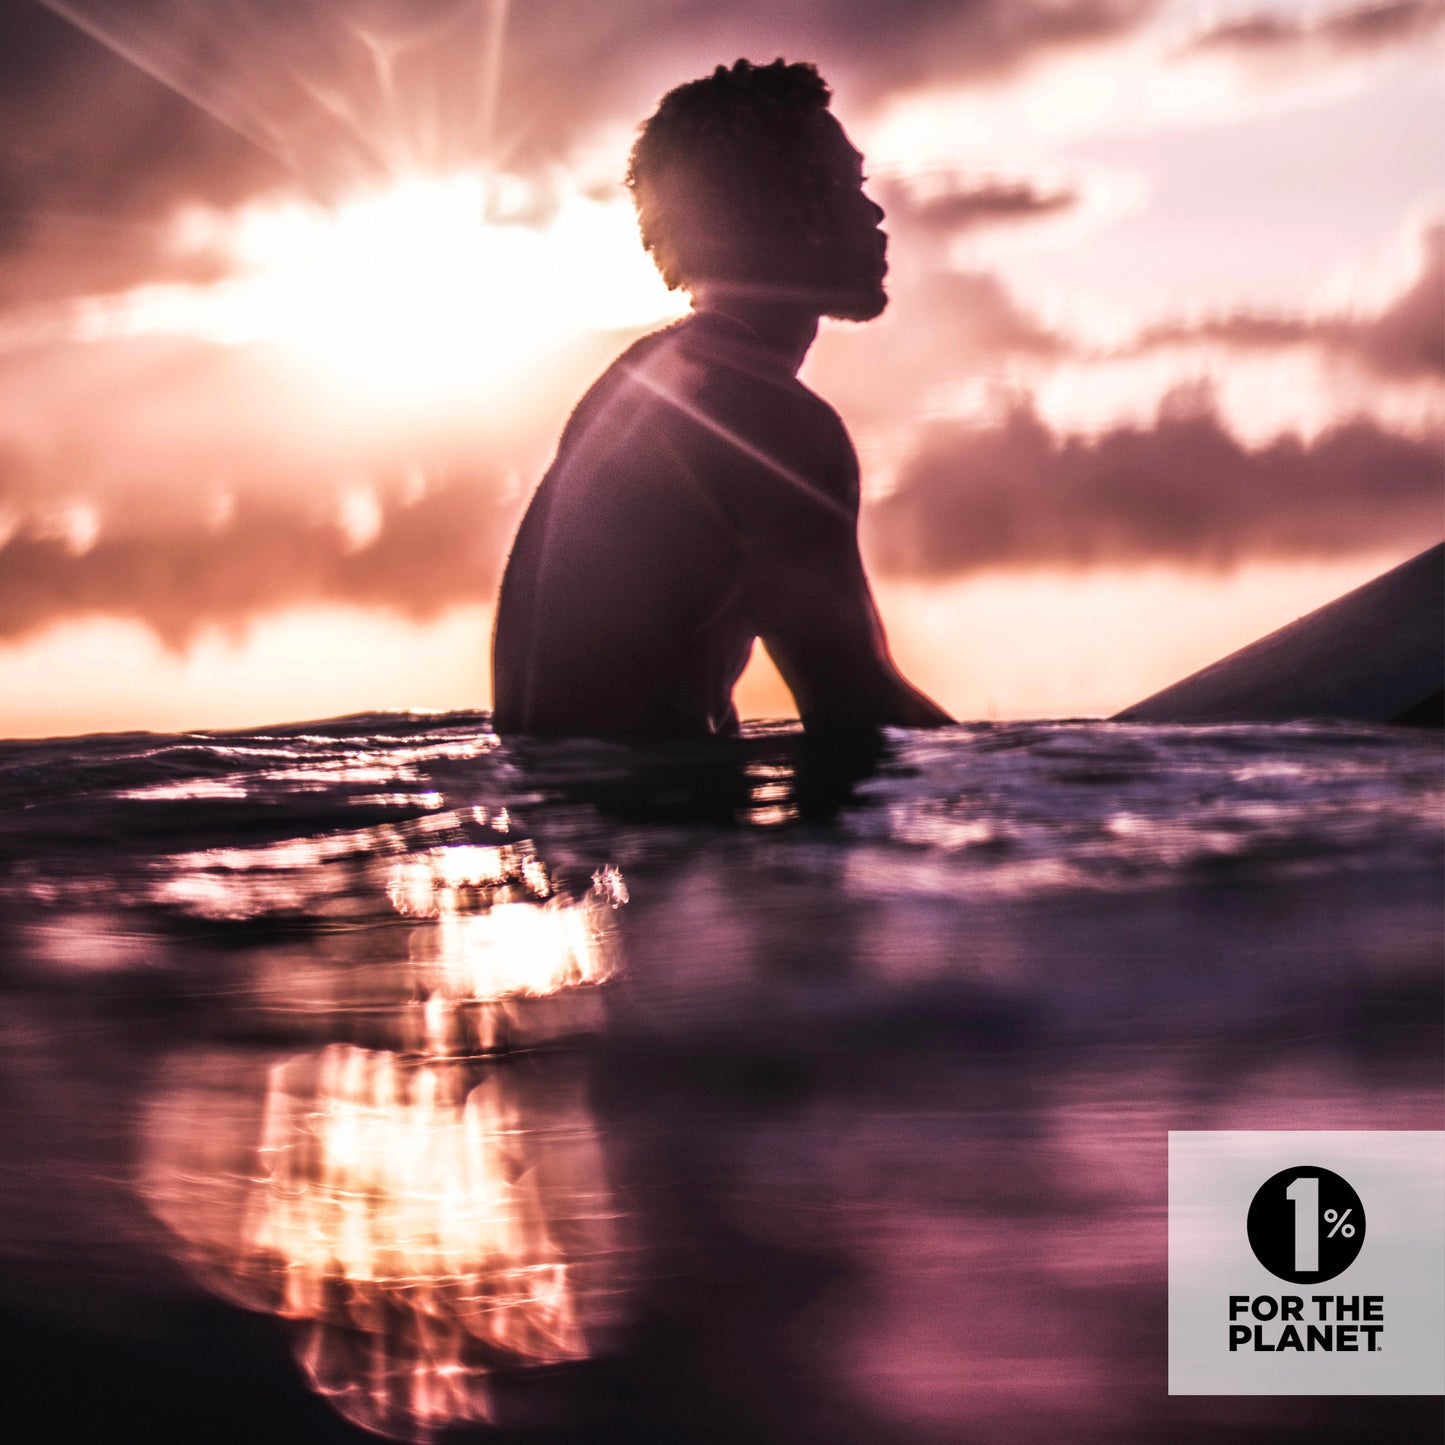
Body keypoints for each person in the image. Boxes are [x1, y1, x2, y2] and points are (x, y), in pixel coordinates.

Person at [491, 58, 952, 738]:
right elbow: (857, 719)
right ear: (780, 210)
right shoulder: (769, 423)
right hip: (649, 831)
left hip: (560, 830)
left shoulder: (640, 381)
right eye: (846, 184)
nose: (873, 211)